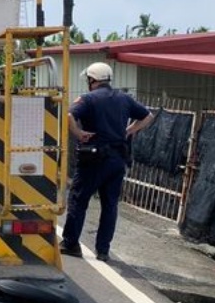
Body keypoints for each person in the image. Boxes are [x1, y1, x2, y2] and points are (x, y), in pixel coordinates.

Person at [60, 61, 155, 262]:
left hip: (93, 159)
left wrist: (77, 132)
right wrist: (129, 131)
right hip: (117, 160)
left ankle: (70, 243)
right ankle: (103, 250)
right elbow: (148, 116)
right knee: (110, 204)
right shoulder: (124, 98)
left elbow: (68, 114)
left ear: (92, 80)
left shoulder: (88, 99)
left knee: (79, 199)